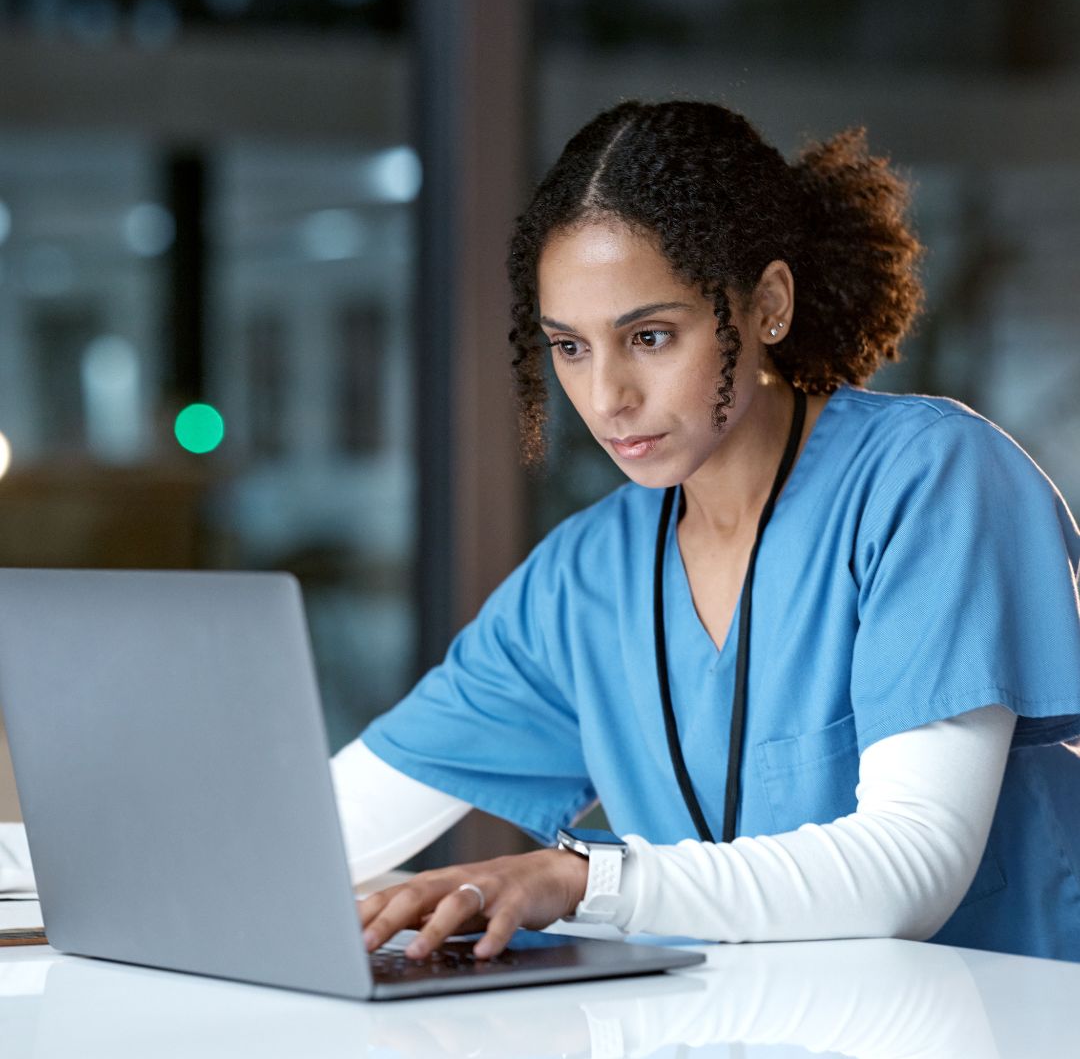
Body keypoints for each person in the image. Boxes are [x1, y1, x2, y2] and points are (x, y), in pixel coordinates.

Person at [3, 100, 1079, 963]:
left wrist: (586, 880)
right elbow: (318, 834)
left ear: (768, 306)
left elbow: (912, 866)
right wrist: (37, 867)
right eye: (568, 349)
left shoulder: (933, 481)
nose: (606, 395)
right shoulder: (585, 580)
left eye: (648, 336)